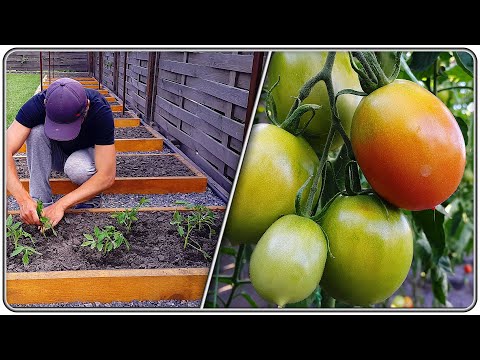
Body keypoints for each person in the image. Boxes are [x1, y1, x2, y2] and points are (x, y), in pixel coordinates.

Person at [7, 78, 116, 228]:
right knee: (36, 133)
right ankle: (40, 202)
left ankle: (91, 197)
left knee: (76, 167)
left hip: (84, 158)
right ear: (45, 104)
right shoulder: (36, 104)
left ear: (87, 107)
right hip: (58, 156)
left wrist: (60, 205)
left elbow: (107, 175)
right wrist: (23, 200)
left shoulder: (99, 109)